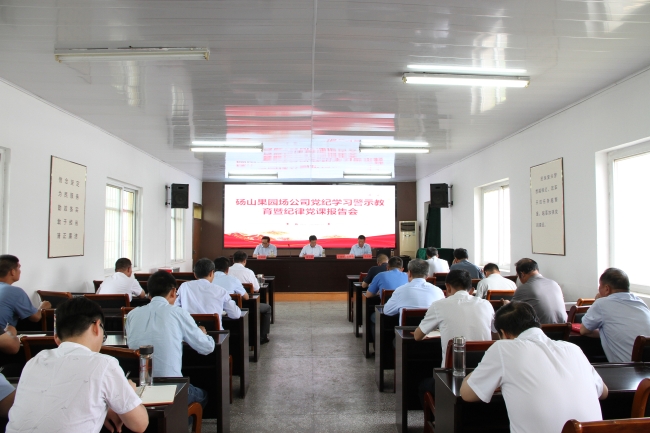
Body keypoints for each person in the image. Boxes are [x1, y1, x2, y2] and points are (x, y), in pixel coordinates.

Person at [460, 302, 607, 433]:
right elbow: (603, 391)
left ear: (504, 334)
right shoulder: (573, 349)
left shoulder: (503, 348)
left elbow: (467, 394)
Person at [8, 297, 148, 433]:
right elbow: (140, 424)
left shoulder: (34, 361)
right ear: (96, 326)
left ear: (57, 338)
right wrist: (129, 390)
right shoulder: (103, 364)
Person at [127, 271, 216, 409]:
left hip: (138, 389)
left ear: (149, 294)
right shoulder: (178, 313)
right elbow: (207, 347)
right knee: (204, 395)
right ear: (173, 292)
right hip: (172, 388)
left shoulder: (132, 314)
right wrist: (203, 333)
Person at [414, 269, 494, 409]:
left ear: (448, 287)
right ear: (471, 289)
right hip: (483, 374)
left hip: (453, 376)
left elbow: (417, 336)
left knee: (423, 385)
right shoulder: (486, 305)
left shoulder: (439, 305)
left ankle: (437, 419)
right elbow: (494, 334)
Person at [580, 268, 650, 363]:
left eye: (600, 286)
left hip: (628, 369)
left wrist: (598, 301)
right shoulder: (640, 302)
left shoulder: (601, 303)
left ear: (607, 289)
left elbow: (584, 330)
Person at [216, 256, 272, 344]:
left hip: (213, 314)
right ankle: (262, 337)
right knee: (266, 308)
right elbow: (249, 295)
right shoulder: (236, 278)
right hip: (234, 310)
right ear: (227, 269)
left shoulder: (207, 282)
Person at [175, 258, 242, 327]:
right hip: (214, 331)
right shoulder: (221, 291)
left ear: (195, 274)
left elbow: (175, 307)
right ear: (211, 273)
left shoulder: (184, 287)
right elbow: (236, 314)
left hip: (188, 330)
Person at [384, 259, 445, 324]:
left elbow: (387, 311)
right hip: (432, 330)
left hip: (406, 330)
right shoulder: (438, 291)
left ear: (409, 273)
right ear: (427, 275)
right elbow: (443, 312)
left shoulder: (400, 291)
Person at [0, 255, 50, 328]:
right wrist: (42, 307)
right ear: (12, 272)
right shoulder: (15, 291)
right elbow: (36, 317)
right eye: (19, 268)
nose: (20, 271)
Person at [511, 258, 567, 324]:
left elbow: (510, 310)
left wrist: (506, 303)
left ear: (522, 274)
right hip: (564, 328)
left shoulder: (524, 288)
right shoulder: (554, 283)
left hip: (542, 329)